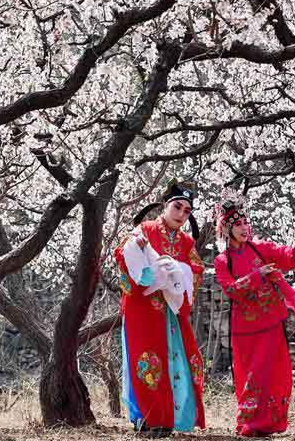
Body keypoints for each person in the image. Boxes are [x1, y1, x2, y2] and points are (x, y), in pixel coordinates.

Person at [213, 189, 295, 437]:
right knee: (252, 375)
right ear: (226, 228)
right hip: (245, 329)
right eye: (238, 224)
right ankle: (249, 424)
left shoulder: (260, 248)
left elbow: (287, 258)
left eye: (246, 222)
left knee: (276, 374)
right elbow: (232, 290)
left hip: (272, 322)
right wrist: (258, 276)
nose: (244, 227)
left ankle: (270, 423)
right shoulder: (222, 260)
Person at [113, 180, 206, 437]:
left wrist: (180, 272)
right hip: (144, 309)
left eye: (187, 211)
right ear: (165, 206)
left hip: (172, 312)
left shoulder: (187, 243)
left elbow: (197, 270)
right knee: (146, 361)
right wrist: (141, 254)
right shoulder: (144, 230)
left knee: (177, 362)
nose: (181, 214)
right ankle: (146, 417)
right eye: (177, 207)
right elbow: (121, 255)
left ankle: (171, 417)